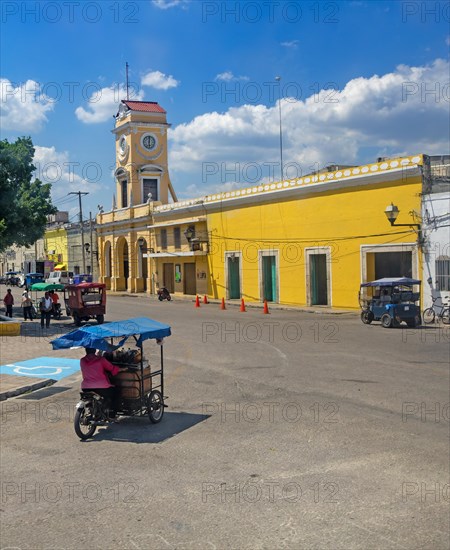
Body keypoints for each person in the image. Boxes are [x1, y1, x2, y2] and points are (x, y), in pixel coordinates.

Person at [80, 348, 122, 417]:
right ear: (94, 350)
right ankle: (112, 413)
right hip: (102, 388)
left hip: (86, 388)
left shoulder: (82, 361)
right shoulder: (100, 359)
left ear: (86, 351)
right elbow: (112, 368)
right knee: (116, 391)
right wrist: (123, 369)